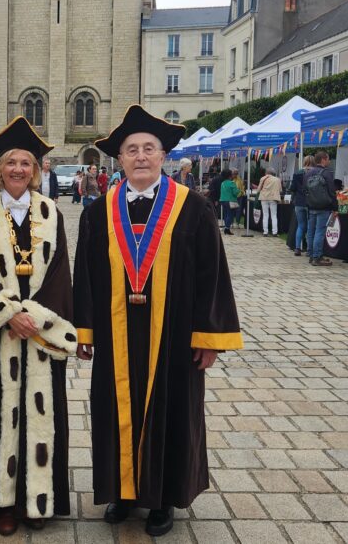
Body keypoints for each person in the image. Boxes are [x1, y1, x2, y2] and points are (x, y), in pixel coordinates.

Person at [73, 105, 242, 537]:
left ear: (163, 155)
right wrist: (85, 332)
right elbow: (86, 276)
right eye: (132, 150)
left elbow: (212, 274)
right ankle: (122, 492)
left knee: (173, 412)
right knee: (115, 412)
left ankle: (163, 499)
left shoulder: (194, 208)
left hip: (175, 336)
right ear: (120, 159)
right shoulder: (98, 212)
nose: (141, 156)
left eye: (149, 148)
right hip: (115, 336)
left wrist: (209, 338)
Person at [0, 117, 77, 536]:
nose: (18, 170)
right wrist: (10, 314)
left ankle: (38, 501)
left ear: (36, 171)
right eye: (11, 162)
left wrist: (36, 320)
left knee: (42, 416)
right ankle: (1, 503)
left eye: (26, 163)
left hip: (39, 332)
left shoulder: (51, 213)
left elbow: (61, 272)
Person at [305, 151, 338, 266]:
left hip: (312, 206)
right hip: (324, 207)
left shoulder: (308, 173)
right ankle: (317, 257)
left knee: (311, 231)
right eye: (328, 159)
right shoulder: (326, 173)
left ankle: (311, 254)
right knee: (320, 232)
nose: (329, 161)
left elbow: (306, 190)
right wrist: (335, 208)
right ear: (323, 159)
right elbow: (332, 192)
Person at [289, 157, 313, 257]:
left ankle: (297, 248)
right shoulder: (315, 173)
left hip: (299, 202)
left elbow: (292, 188)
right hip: (310, 202)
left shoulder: (297, 173)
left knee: (300, 226)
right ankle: (309, 250)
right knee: (310, 227)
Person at [257, 167, 282, 236]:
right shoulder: (277, 179)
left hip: (264, 197)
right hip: (273, 198)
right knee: (274, 215)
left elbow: (258, 189)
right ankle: (275, 232)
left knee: (265, 215)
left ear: (266, 172)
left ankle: (265, 232)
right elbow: (280, 190)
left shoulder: (263, 178)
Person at [219, 169, 240, 235]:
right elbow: (235, 192)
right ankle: (227, 228)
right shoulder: (232, 183)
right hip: (230, 200)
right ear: (229, 175)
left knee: (226, 214)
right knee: (230, 215)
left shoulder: (223, 183)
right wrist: (239, 190)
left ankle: (227, 228)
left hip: (223, 200)